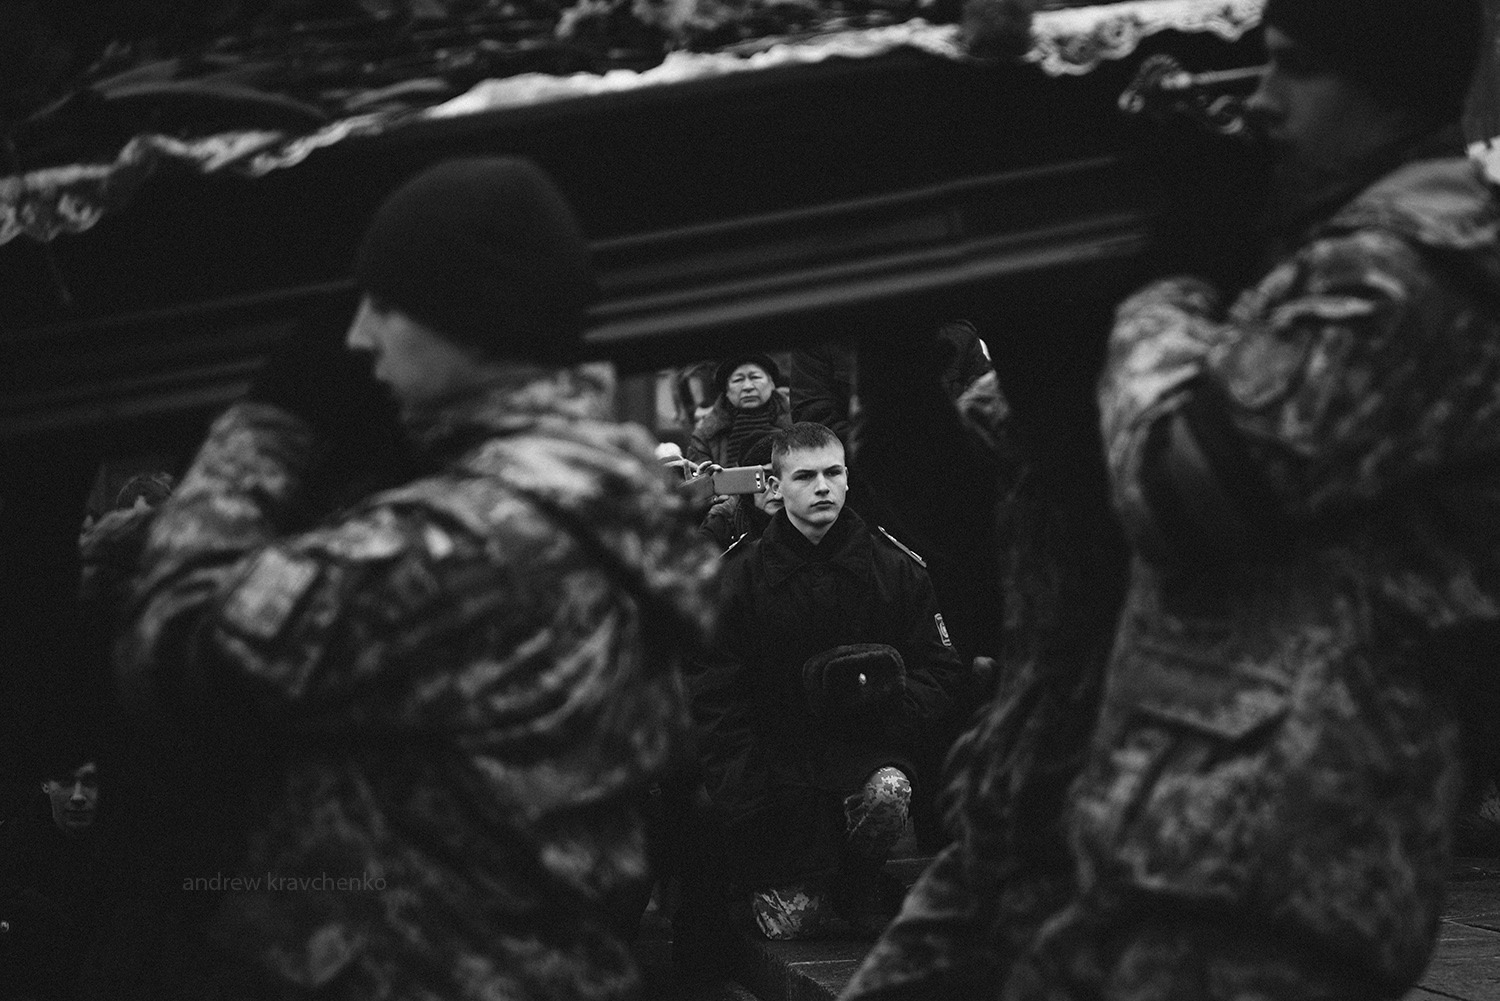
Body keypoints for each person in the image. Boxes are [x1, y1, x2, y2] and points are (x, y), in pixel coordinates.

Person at [844, 1, 1500, 998]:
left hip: (1277, 851)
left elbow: (1180, 480)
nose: (1266, 101)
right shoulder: (1335, 244)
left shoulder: (1413, 268)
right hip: (1170, 832)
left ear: (1387, 90)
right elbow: (1063, 453)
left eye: (1292, 70)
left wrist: (1169, 280)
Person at [115, 157, 721, 1000]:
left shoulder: (470, 541)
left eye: (384, 306)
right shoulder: (583, 490)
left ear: (469, 325)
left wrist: (267, 426)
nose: (359, 337)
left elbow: (177, 644)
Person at [689, 422, 967, 942]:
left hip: (865, 753)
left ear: (847, 480)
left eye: (833, 473)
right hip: (777, 770)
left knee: (888, 791)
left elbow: (941, 668)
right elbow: (713, 693)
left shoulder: (896, 569)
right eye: (805, 475)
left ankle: (860, 876)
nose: (822, 486)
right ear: (773, 488)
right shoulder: (737, 579)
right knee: (790, 929)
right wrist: (744, 795)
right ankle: (798, 879)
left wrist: (885, 715)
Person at [685, 353, 793, 469]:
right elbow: (697, 479)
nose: (748, 387)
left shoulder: (795, 420)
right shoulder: (706, 434)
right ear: (726, 390)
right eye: (738, 380)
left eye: (755, 377)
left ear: (771, 383)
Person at [698, 432, 782, 550]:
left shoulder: (810, 526)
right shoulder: (724, 525)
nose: (778, 491)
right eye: (766, 478)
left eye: (783, 478)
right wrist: (692, 511)